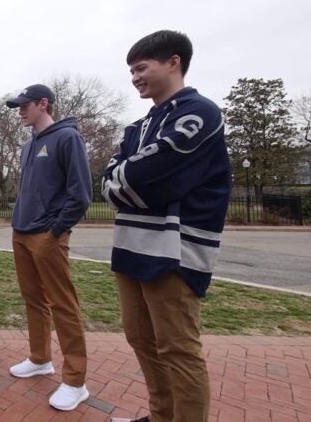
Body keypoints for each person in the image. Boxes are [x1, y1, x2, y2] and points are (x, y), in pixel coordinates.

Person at [103, 30, 232, 422]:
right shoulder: (137, 127)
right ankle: (161, 415)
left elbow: (155, 175)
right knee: (140, 339)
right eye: (131, 71)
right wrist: (131, 180)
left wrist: (129, 180)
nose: (135, 77)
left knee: (177, 348)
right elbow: (109, 183)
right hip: (131, 246)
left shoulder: (199, 111)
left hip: (175, 252)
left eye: (141, 67)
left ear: (173, 62)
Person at [5, 84, 93, 411]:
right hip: (21, 231)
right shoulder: (29, 145)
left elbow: (81, 194)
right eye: (18, 106)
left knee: (63, 304)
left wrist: (56, 230)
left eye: (25, 105)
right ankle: (40, 358)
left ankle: (75, 380)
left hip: (48, 235)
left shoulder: (67, 137)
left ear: (44, 103)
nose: (20, 110)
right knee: (33, 299)